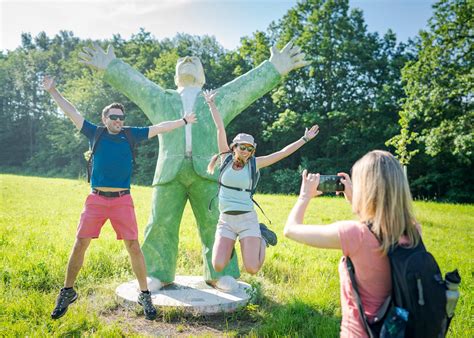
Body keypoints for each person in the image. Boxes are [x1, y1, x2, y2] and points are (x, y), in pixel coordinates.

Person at [78, 40, 310, 291]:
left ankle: (221, 274)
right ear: (176, 76)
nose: (188, 60)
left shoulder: (216, 99)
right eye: (182, 62)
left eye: (194, 61)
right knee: (160, 223)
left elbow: (243, 89)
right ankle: (157, 272)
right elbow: (138, 85)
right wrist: (110, 66)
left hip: (208, 173)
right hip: (169, 173)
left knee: (215, 223)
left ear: (202, 77)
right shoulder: (161, 99)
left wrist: (274, 67)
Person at [43, 75, 196, 320]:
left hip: (123, 200)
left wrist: (184, 121)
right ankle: (67, 291)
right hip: (96, 200)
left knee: (133, 246)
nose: (117, 120)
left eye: (120, 117)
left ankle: (145, 294)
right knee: (80, 243)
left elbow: (159, 128)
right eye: (113, 117)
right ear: (105, 119)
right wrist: (53, 91)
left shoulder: (130, 134)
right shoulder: (96, 133)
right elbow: (71, 112)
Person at [284, 150, 421, 337]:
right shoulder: (413, 230)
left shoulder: (355, 235)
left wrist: (304, 196)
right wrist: (355, 202)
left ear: (367, 188)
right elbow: (378, 227)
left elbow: (290, 230)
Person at [203, 89, 319, 276]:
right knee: (217, 266)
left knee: (252, 269)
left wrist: (304, 139)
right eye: (243, 147)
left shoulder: (255, 164)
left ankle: (262, 238)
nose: (246, 151)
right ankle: (231, 242)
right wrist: (211, 104)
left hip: (247, 220)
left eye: (250, 148)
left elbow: (282, 153)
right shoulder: (225, 159)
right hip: (226, 221)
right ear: (234, 147)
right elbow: (220, 128)